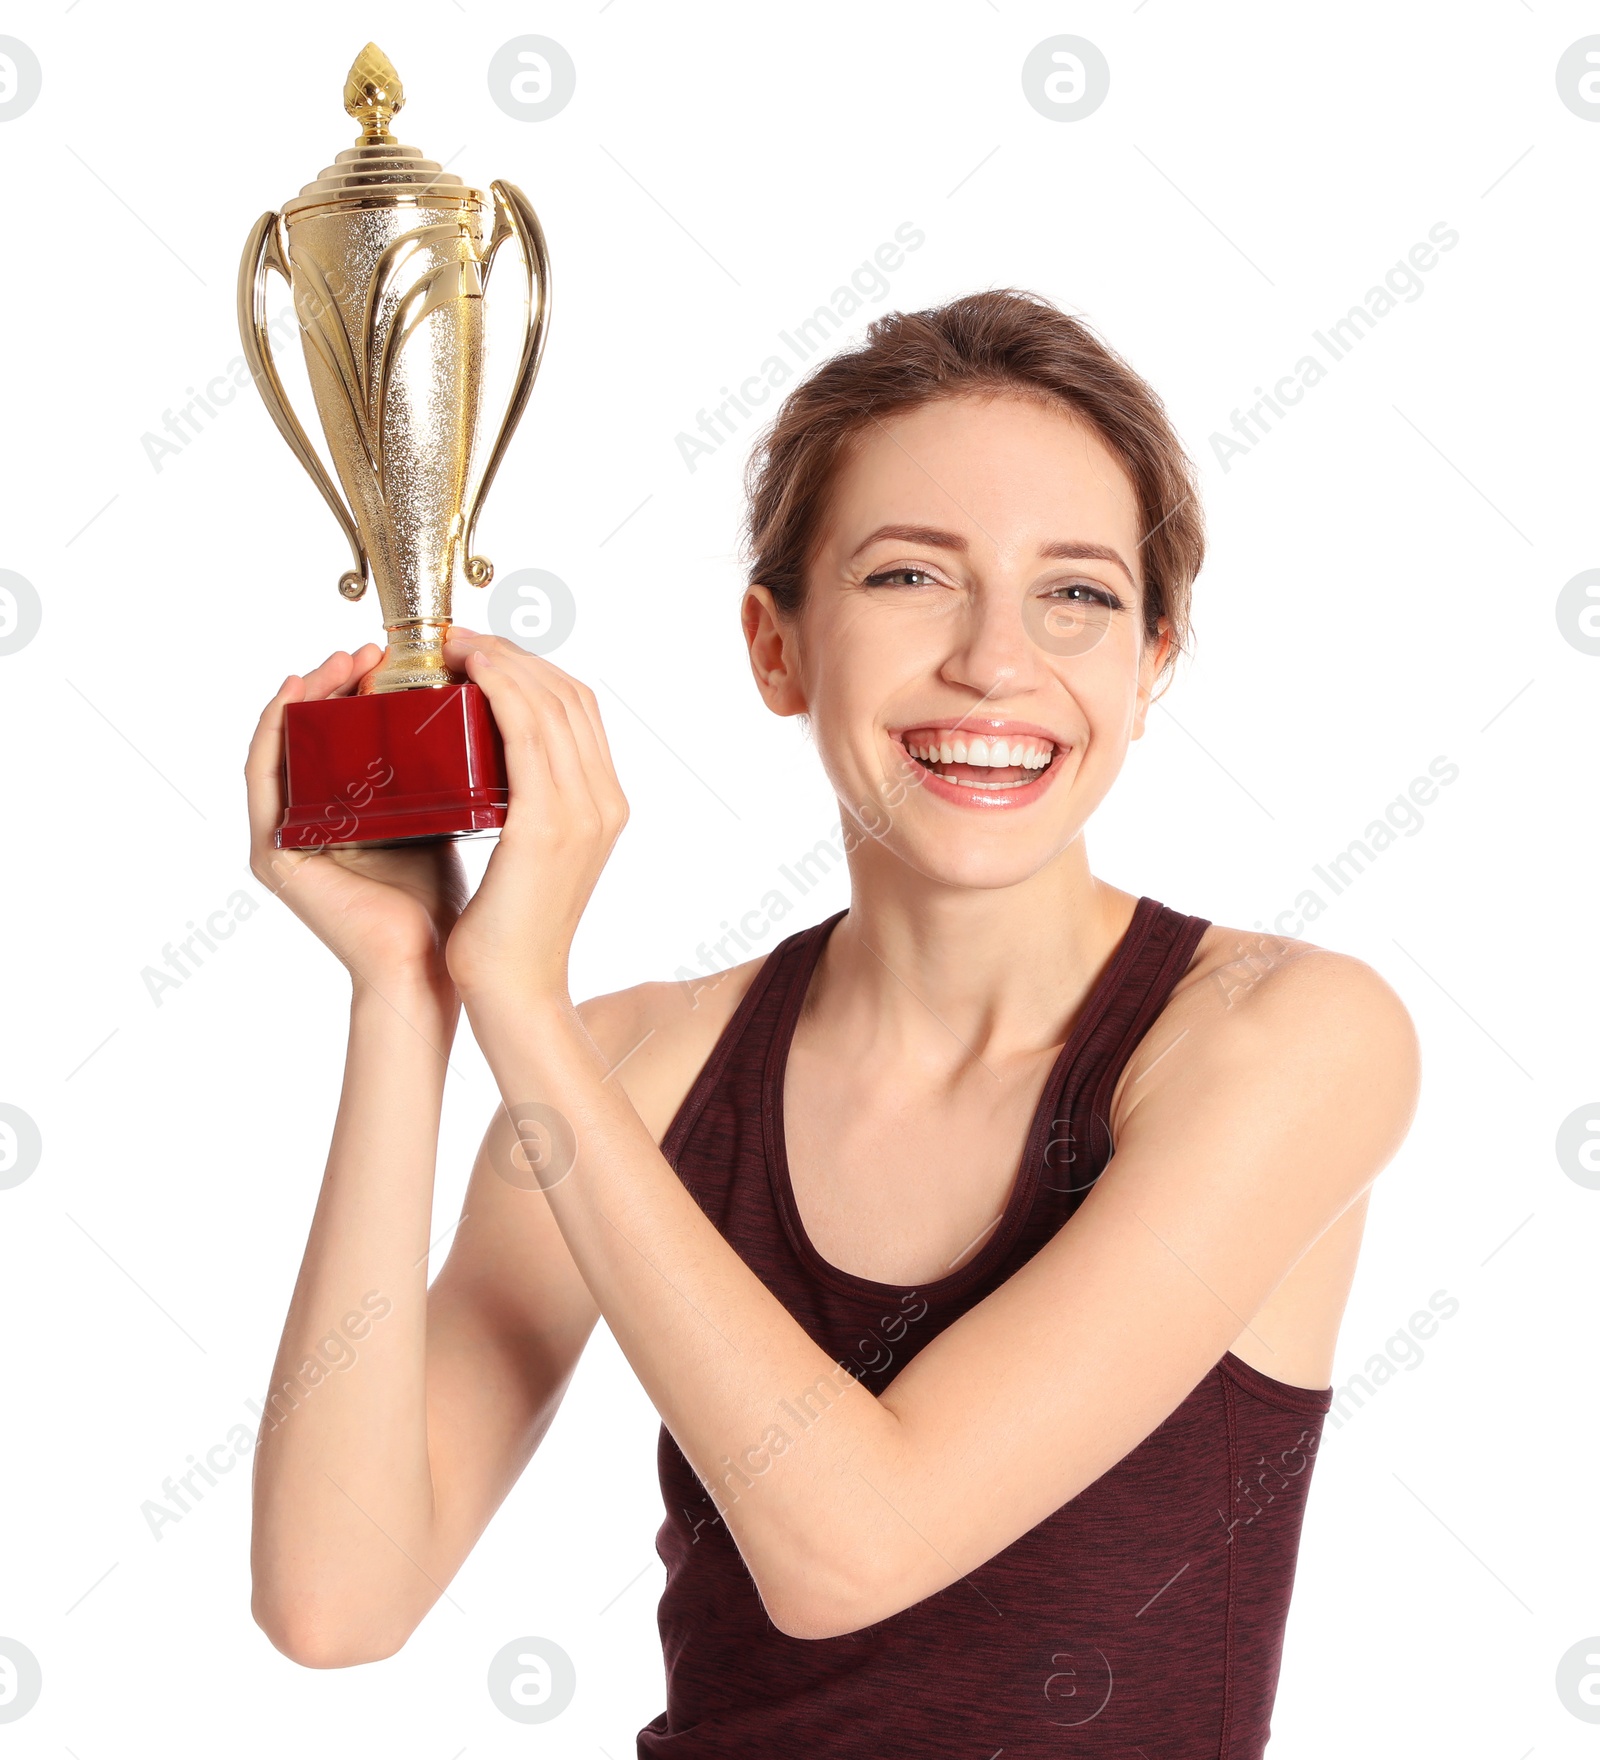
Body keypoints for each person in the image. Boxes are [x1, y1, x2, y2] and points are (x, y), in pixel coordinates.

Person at [243, 289, 1420, 1757]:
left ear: (1152, 658)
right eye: (910, 576)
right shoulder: (635, 1071)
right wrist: (411, 990)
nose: (998, 661)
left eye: (1078, 593)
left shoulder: (1286, 1037)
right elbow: (333, 1598)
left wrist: (522, 1009)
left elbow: (854, 1548)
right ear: (775, 645)